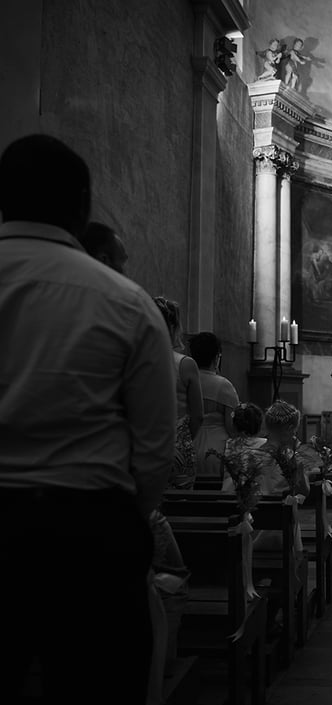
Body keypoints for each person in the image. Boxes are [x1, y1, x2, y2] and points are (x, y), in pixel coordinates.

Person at [0, 134, 175, 704]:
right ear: (82, 205)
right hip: (88, 533)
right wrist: (126, 513)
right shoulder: (126, 302)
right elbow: (154, 450)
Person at [154, 296, 204, 489]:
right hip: (178, 446)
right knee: (182, 503)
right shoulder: (185, 364)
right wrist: (183, 439)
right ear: (174, 326)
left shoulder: (135, 360)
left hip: (144, 445)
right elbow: (198, 416)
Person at [189, 331, 239, 480]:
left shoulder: (186, 382)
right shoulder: (224, 385)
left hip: (187, 448)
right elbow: (233, 428)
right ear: (217, 357)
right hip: (217, 452)